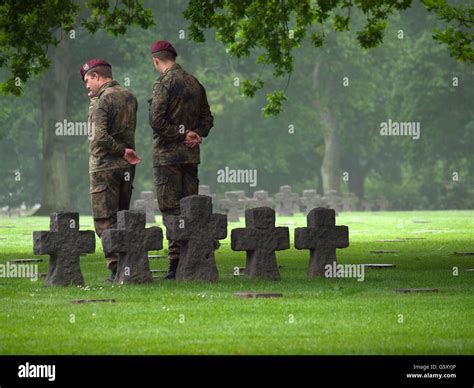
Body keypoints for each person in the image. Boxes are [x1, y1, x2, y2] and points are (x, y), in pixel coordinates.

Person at [148, 40, 214, 279]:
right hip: (190, 157)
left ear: (156, 60)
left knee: (171, 210)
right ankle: (192, 258)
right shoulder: (195, 83)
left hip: (168, 158)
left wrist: (180, 133)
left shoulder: (164, 83)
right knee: (190, 208)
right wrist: (195, 133)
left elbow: (156, 121)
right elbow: (208, 119)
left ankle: (175, 263)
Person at [81, 59, 141, 282]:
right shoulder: (129, 96)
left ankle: (115, 269)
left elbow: (97, 139)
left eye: (87, 80)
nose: (86, 86)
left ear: (96, 76)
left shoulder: (101, 100)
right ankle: (128, 265)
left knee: (105, 221)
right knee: (122, 217)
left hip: (104, 168)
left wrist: (119, 150)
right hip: (125, 169)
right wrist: (125, 152)